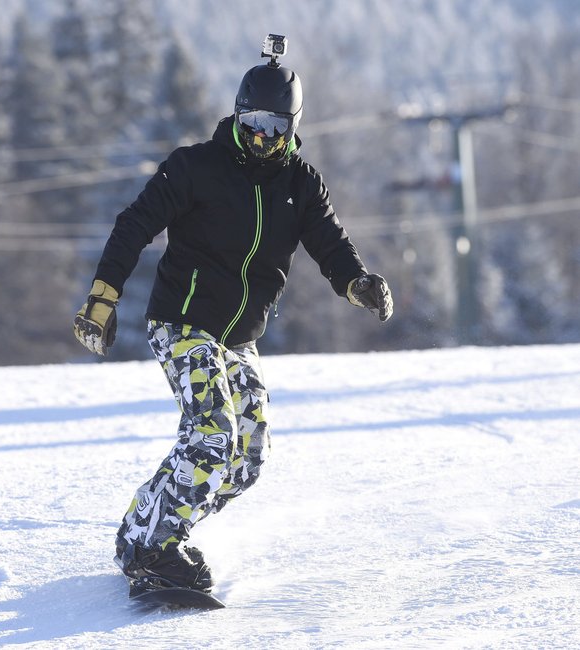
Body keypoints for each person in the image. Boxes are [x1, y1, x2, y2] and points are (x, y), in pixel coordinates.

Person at [73, 44, 394, 597]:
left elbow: (330, 243)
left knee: (247, 458)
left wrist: (356, 281)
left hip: (238, 338)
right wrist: (102, 300)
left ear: (293, 126)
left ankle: (145, 529)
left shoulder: (300, 183)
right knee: (211, 433)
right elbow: (133, 225)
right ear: (237, 114)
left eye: (275, 126)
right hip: (182, 322)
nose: (264, 137)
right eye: (253, 123)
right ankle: (156, 549)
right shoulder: (195, 167)